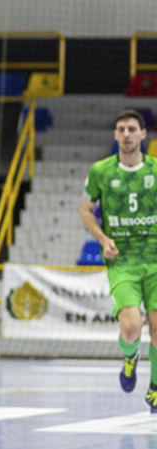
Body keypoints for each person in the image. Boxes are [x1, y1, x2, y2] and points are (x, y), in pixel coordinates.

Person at [80, 109, 157, 411]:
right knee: (131, 328)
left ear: (143, 134)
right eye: (121, 129)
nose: (126, 134)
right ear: (115, 135)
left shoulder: (155, 170)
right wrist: (103, 239)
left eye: (132, 129)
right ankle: (130, 356)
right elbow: (85, 209)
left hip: (154, 259)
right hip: (122, 261)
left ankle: (154, 388)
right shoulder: (101, 171)